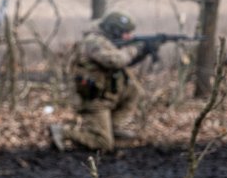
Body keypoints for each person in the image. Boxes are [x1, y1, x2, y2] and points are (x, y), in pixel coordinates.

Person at [50, 11, 152, 152]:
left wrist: (145, 51)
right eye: (125, 33)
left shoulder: (108, 41)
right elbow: (114, 61)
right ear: (113, 30)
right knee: (103, 144)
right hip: (93, 98)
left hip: (106, 94)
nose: (129, 36)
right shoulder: (93, 41)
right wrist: (135, 49)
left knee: (134, 90)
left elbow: (124, 62)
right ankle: (63, 132)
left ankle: (113, 127)